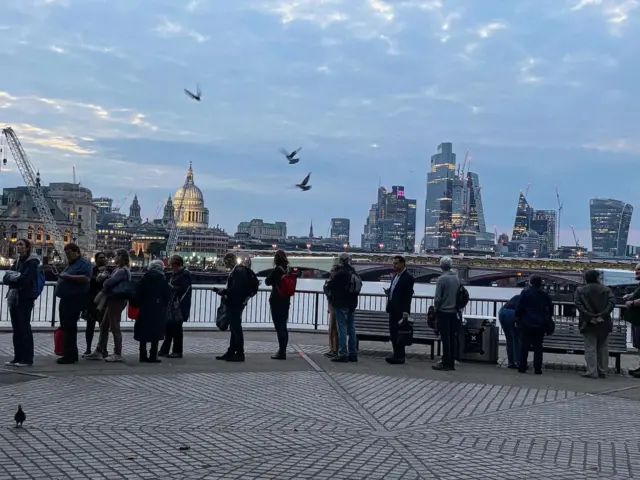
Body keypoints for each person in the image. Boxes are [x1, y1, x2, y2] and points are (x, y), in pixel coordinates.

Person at [85, 249, 130, 362]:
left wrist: (105, 279)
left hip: (117, 300)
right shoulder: (120, 270)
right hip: (113, 299)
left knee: (114, 326)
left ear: (120, 257)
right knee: (104, 325)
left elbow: (109, 283)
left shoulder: (122, 271)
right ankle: (99, 351)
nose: (113, 258)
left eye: (115, 256)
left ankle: (117, 353)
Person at [4, 239, 40, 367]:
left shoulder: (33, 262)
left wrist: (14, 277)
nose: (18, 246)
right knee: (16, 328)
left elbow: (26, 279)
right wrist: (17, 276)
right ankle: (17, 357)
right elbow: (5, 278)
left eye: (21, 244)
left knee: (25, 327)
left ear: (27, 247)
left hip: (25, 297)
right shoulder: (16, 261)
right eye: (17, 244)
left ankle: (27, 359)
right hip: (14, 297)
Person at [574, 269, 616, 379]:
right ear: (597, 278)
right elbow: (612, 303)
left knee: (590, 348)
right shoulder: (606, 290)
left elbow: (578, 305)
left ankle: (592, 371)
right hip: (604, 322)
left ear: (586, 278)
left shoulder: (580, 290)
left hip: (588, 323)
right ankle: (603, 370)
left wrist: (590, 316)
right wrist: (602, 315)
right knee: (603, 347)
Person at [55, 243, 92, 365]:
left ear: (76, 251)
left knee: (70, 327)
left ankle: (69, 355)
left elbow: (86, 278)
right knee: (66, 326)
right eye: (66, 253)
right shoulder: (71, 264)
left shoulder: (84, 263)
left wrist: (67, 276)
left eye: (69, 253)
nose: (67, 256)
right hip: (66, 298)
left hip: (74, 299)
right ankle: (69, 353)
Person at [215, 253, 252, 362]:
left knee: (236, 328)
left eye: (226, 262)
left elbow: (236, 288)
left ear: (230, 261)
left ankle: (240, 353)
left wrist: (225, 291)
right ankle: (231, 352)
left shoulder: (238, 271)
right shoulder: (240, 270)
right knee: (234, 328)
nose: (226, 265)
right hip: (238, 302)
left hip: (235, 303)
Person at [134, 260, 172, 363]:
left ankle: (142, 355)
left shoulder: (144, 278)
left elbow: (138, 293)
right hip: (158, 308)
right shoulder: (162, 278)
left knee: (143, 330)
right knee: (156, 330)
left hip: (145, 307)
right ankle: (153, 355)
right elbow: (167, 295)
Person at [515, 274, 553, 374]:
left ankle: (522, 367)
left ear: (530, 282)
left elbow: (519, 307)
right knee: (538, 347)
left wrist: (518, 318)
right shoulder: (544, 294)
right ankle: (537, 368)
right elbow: (550, 308)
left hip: (526, 322)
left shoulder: (525, 292)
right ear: (541, 283)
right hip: (540, 323)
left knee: (524, 346)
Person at [326, 253, 360, 363]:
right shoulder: (354, 272)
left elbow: (330, 286)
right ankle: (353, 353)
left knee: (342, 328)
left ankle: (342, 353)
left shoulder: (341, 273)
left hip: (341, 303)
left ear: (341, 261)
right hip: (352, 303)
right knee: (352, 328)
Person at [384, 255, 415, 365]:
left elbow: (407, 296)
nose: (394, 266)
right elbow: (395, 290)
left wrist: (405, 312)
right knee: (393, 332)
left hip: (401, 310)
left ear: (402, 264)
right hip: (393, 308)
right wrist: (390, 293)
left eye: (396, 263)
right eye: (394, 263)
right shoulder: (395, 276)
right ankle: (396, 353)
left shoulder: (408, 277)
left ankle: (400, 356)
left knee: (400, 333)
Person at [160, 255, 192, 358]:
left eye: (172, 265)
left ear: (176, 264)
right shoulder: (176, 274)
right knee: (169, 328)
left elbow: (183, 289)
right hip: (173, 305)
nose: (171, 268)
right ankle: (165, 349)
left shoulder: (184, 275)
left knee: (177, 329)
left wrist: (171, 287)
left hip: (179, 306)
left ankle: (177, 351)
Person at [432, 256, 461, 371]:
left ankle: (445, 361)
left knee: (445, 338)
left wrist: (435, 309)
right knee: (452, 337)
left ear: (441, 266)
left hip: (443, 311)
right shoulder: (456, 278)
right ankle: (451, 362)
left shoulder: (442, 279)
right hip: (454, 312)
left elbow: (437, 298)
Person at [83, 251, 111, 357]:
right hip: (92, 300)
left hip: (103, 301)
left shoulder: (109, 271)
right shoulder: (92, 270)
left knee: (103, 326)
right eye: (100, 257)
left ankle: (103, 349)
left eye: (104, 257)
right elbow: (90, 282)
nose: (102, 259)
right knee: (90, 326)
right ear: (96, 259)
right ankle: (88, 348)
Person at [264, 249, 291, 360]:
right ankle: (283, 350)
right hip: (286, 300)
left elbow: (267, 281)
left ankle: (281, 352)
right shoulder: (287, 269)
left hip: (276, 300)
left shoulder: (277, 270)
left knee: (279, 326)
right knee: (283, 326)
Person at [623, 263, 640, 378]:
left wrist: (632, 302)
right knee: (639, 345)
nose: (636, 272)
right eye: (636, 270)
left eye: (639, 271)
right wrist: (631, 295)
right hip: (636, 320)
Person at [498, 295, 521, 369]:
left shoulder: (518, 297)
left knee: (509, 339)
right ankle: (518, 362)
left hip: (502, 312)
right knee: (516, 339)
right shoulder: (527, 300)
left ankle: (511, 362)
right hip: (512, 313)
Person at [323, 265, 340, 358]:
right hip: (332, 306)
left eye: (333, 271)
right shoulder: (334, 281)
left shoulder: (334, 282)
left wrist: (326, 287)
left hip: (334, 306)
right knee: (332, 329)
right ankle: (333, 348)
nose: (331, 272)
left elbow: (330, 295)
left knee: (333, 328)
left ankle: (334, 349)